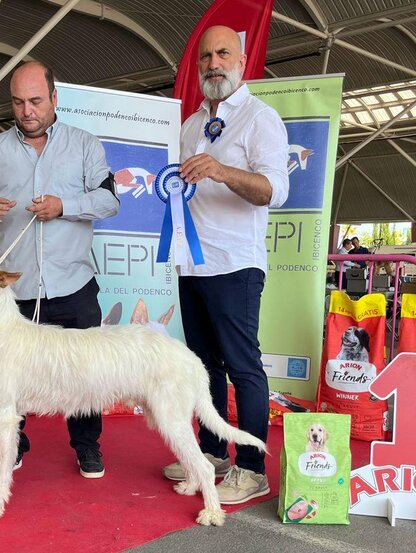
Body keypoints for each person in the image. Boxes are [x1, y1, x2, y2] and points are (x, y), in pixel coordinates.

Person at [0, 60, 119, 478]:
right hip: (15, 291)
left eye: (36, 101)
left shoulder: (84, 145)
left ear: (54, 98)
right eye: (18, 102)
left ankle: (87, 447)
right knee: (9, 375)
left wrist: (65, 206)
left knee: (85, 373)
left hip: (74, 283)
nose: (27, 111)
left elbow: (109, 201)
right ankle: (13, 447)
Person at [160, 25, 289, 505]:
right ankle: (212, 454)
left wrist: (221, 170)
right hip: (193, 265)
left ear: (242, 61)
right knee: (204, 366)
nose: (213, 64)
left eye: (223, 54)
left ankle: (252, 468)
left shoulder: (260, 118)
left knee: (242, 366)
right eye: (205, 57)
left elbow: (276, 190)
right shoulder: (192, 124)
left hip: (236, 264)